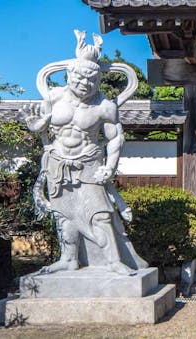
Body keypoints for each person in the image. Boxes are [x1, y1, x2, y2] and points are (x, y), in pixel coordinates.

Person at [26, 30, 147, 275]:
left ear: (99, 80)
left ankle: (114, 261)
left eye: (91, 81)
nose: (85, 85)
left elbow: (115, 139)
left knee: (99, 212)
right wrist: (36, 127)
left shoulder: (104, 106)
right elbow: (42, 128)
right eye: (79, 79)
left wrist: (109, 167)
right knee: (63, 214)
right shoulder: (54, 96)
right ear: (69, 75)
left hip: (89, 161)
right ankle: (69, 259)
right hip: (57, 162)